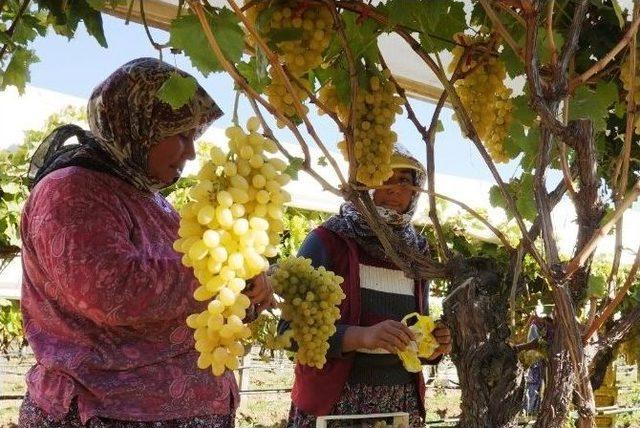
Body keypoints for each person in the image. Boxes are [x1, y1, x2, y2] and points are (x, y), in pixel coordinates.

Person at [18, 58, 271, 428]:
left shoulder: (151, 199)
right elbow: (111, 291)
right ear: (139, 128)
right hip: (101, 413)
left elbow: (193, 299)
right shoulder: (71, 191)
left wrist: (246, 290)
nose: (192, 152)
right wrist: (227, 273)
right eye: (181, 135)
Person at [285, 148, 452, 428]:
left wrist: (431, 345)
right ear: (362, 185)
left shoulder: (418, 254)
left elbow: (414, 335)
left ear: (415, 193)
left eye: (404, 181)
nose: (395, 189)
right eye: (383, 176)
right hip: (335, 404)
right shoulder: (326, 242)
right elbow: (290, 332)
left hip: (399, 405)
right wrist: (362, 337)